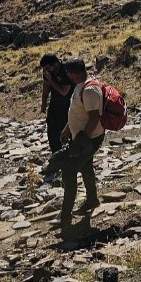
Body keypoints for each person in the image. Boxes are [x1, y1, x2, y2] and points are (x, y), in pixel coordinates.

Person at [59, 58, 104, 239]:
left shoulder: (90, 90)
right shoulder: (81, 86)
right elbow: (79, 112)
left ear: (72, 74)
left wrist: (82, 139)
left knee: (69, 172)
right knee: (86, 167)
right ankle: (92, 199)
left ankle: (65, 214)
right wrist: (67, 129)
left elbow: (93, 117)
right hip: (83, 137)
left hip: (90, 139)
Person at [40, 54, 73, 156]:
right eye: (44, 69)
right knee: (52, 128)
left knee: (70, 128)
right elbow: (46, 86)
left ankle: (73, 152)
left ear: (55, 64)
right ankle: (56, 154)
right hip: (55, 103)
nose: (46, 71)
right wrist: (44, 102)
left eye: (48, 68)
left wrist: (51, 80)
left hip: (70, 103)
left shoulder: (66, 71)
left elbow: (64, 91)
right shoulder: (48, 72)